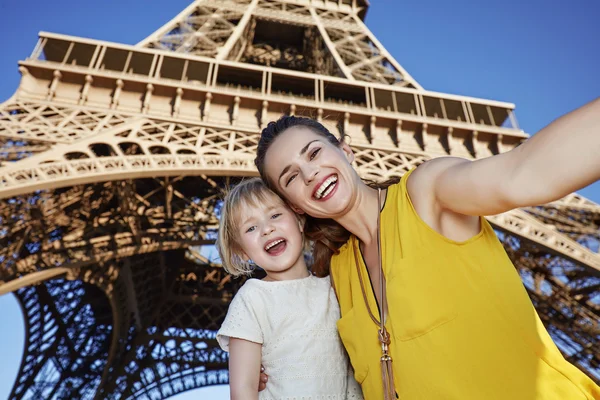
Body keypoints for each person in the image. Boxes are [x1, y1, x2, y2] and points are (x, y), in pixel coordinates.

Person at [253, 98, 600, 400]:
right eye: (291, 177)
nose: (310, 173)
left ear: (346, 151)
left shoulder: (425, 194)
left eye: (314, 153)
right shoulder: (337, 275)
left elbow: (521, 175)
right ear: (295, 206)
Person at [215, 178, 363, 400]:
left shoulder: (334, 286)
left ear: (300, 221)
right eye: (251, 228)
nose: (267, 229)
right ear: (242, 251)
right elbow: (244, 388)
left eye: (275, 215)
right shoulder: (253, 298)